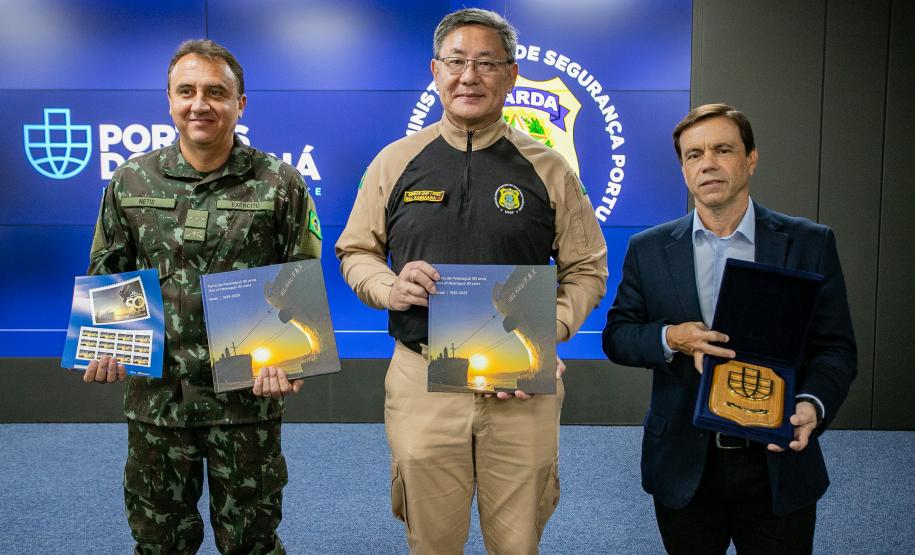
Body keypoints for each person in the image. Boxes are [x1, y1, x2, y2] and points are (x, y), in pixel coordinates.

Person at [335, 8, 607, 554]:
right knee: (432, 541)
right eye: (457, 62)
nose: (470, 76)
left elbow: (586, 268)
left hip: (520, 386)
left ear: (511, 75)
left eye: (487, 63)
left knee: (518, 541)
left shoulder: (549, 168)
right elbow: (356, 252)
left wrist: (548, 330)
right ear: (435, 70)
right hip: (421, 380)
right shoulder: (394, 162)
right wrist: (390, 288)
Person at [82, 39, 322, 554]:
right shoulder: (131, 179)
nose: (199, 104)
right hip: (157, 401)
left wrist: (293, 360)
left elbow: (299, 276)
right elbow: (110, 270)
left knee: (252, 542)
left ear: (240, 103)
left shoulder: (279, 183)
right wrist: (108, 343)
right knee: (159, 542)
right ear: (169, 100)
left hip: (246, 398)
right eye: (186, 91)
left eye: (216, 92)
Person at [602, 103, 857, 554]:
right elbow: (618, 336)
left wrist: (812, 405)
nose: (708, 164)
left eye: (723, 150)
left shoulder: (809, 242)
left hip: (777, 459)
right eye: (694, 155)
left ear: (751, 159)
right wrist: (672, 338)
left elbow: (835, 347)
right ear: (684, 169)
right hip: (684, 462)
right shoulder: (649, 248)